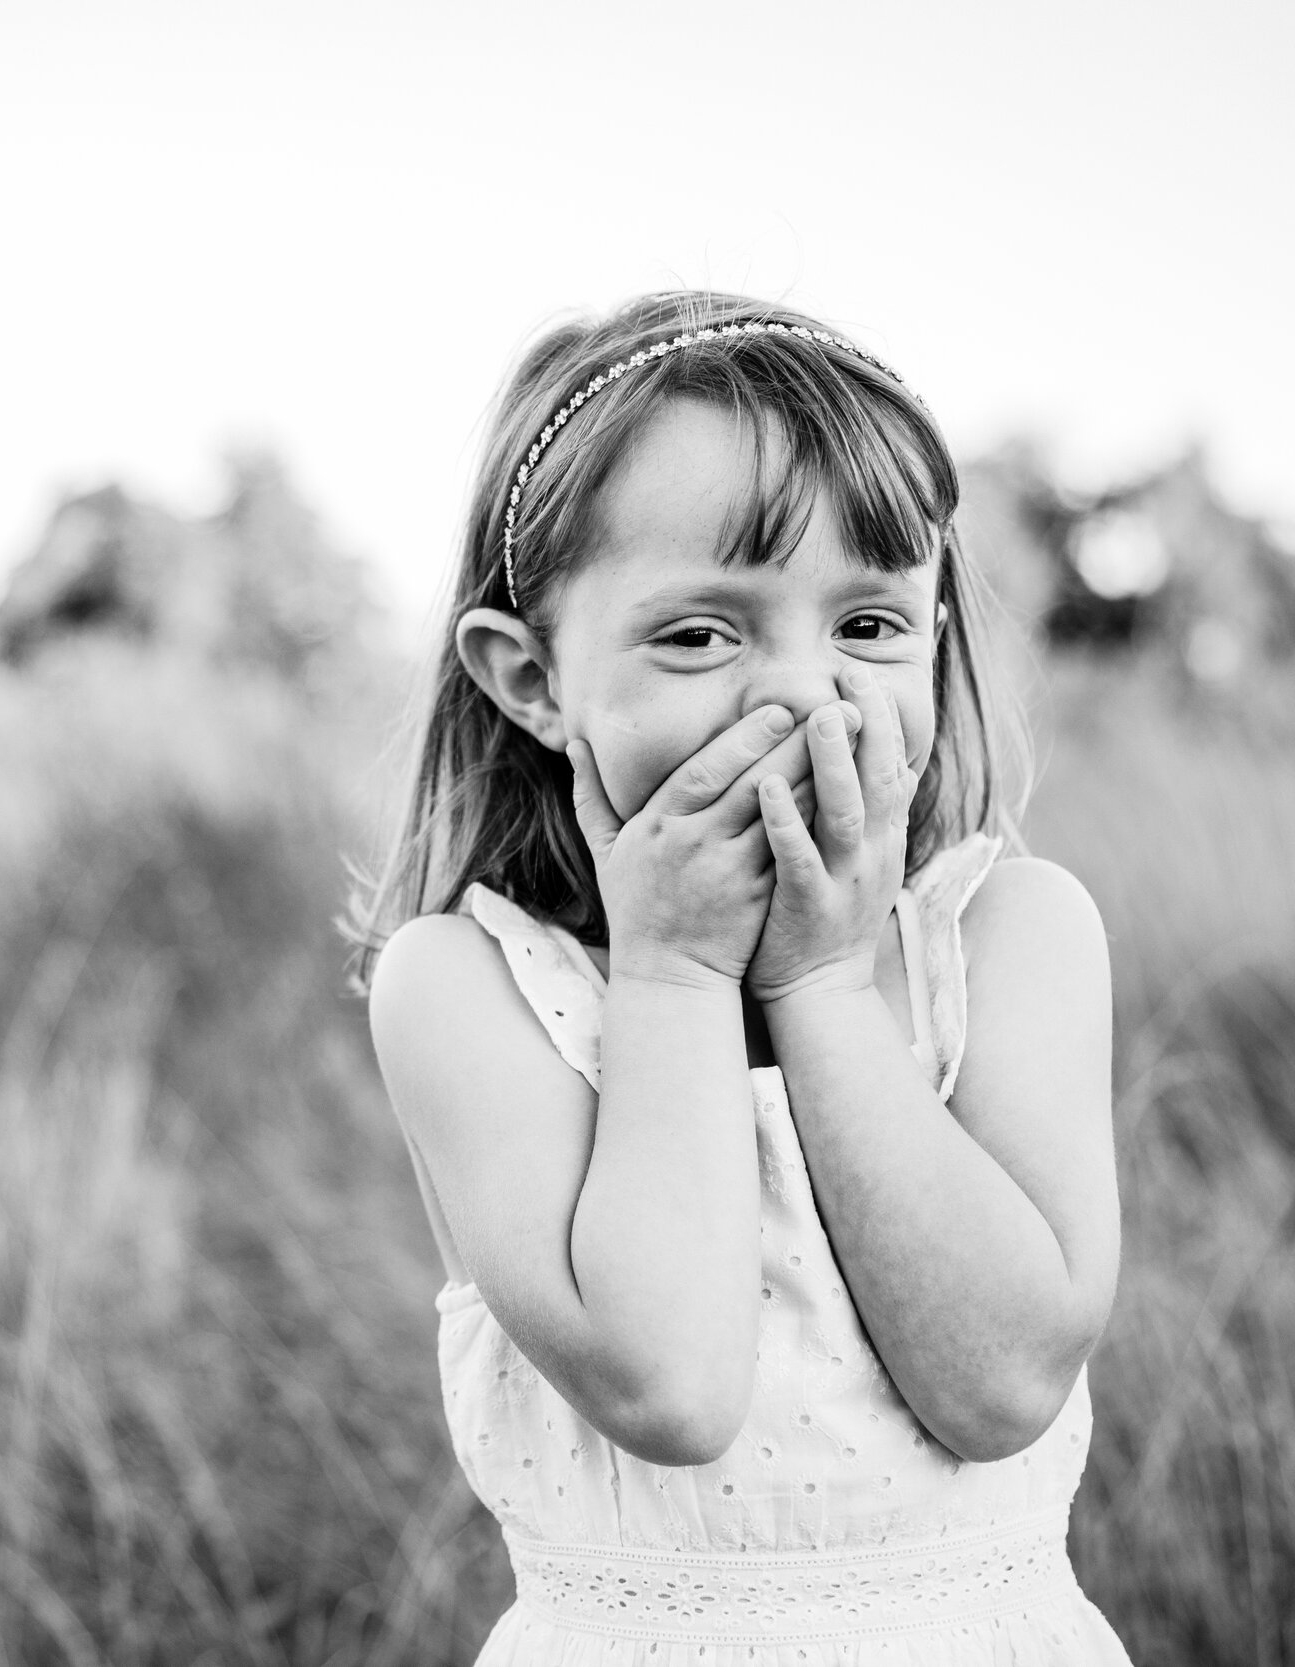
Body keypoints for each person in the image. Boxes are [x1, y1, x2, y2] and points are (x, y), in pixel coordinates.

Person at [353, 290, 1132, 1663]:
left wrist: (825, 983)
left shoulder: (1014, 938)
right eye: (702, 635)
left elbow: (1005, 1380)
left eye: (871, 627)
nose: (805, 697)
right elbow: (671, 1384)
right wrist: (670, 973)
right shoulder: (466, 990)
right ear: (531, 679)